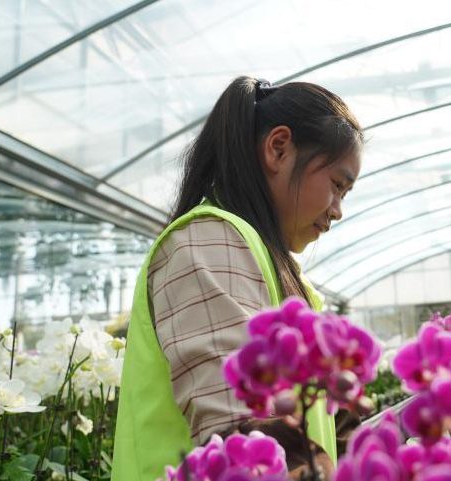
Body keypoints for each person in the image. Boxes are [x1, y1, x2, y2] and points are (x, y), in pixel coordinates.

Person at [112, 76, 364, 481]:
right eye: (337, 185)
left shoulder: (273, 264)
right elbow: (243, 434)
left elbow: (321, 428)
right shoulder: (207, 243)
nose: (337, 211)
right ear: (278, 148)